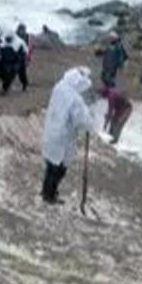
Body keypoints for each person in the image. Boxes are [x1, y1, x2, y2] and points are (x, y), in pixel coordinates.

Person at [41, 67, 96, 205]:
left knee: (51, 165)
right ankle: (49, 195)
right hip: (63, 137)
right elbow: (81, 119)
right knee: (59, 169)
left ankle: (46, 192)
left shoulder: (59, 87)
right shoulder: (74, 98)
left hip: (51, 131)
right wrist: (90, 121)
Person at [15, 24, 32, 90]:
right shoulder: (15, 35)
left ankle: (25, 85)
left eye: (23, 29)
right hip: (15, 55)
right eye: (20, 29)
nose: (21, 31)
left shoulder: (27, 36)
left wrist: (28, 58)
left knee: (22, 72)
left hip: (23, 56)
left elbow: (29, 48)